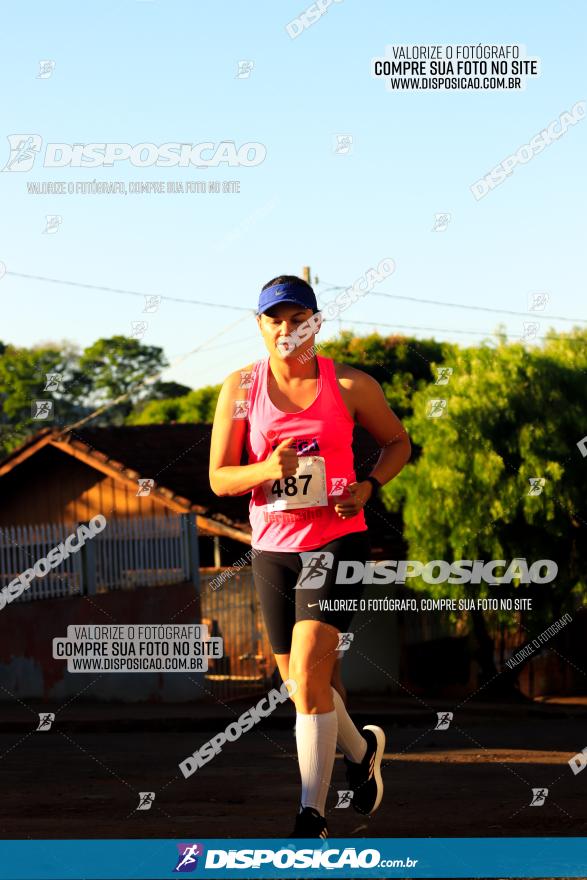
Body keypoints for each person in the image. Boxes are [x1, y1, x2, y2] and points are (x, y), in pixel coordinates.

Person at [209, 275, 411, 838]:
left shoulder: (349, 384)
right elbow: (219, 478)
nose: (286, 330)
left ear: (316, 324)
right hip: (272, 549)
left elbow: (399, 442)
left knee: (307, 672)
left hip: (336, 541)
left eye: (298, 319)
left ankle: (311, 816)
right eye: (274, 320)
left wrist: (368, 487)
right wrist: (266, 470)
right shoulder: (240, 388)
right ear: (260, 326)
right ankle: (362, 748)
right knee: (304, 686)